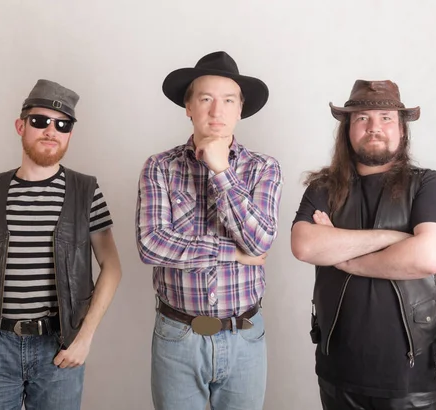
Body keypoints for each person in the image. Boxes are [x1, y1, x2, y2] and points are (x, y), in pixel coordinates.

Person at [0, 79, 122, 410]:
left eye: (62, 125)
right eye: (40, 121)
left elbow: (112, 266)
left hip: (58, 348)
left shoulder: (86, 192)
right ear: (21, 126)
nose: (51, 131)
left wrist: (84, 338)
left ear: (70, 133)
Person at [291, 80, 436, 410]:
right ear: (347, 130)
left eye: (385, 117)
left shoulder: (429, 185)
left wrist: (345, 257)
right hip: (338, 376)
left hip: (415, 382)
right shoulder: (323, 189)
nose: (374, 127)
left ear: (402, 130)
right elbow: (305, 246)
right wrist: (394, 239)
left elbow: (429, 255)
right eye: (362, 118)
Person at [135, 51, 283, 410]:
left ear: (240, 110)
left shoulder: (264, 168)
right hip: (178, 334)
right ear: (189, 107)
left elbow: (260, 240)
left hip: (245, 334)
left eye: (228, 100)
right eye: (205, 99)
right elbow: (151, 244)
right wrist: (230, 253)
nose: (217, 111)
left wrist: (221, 172)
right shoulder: (160, 167)